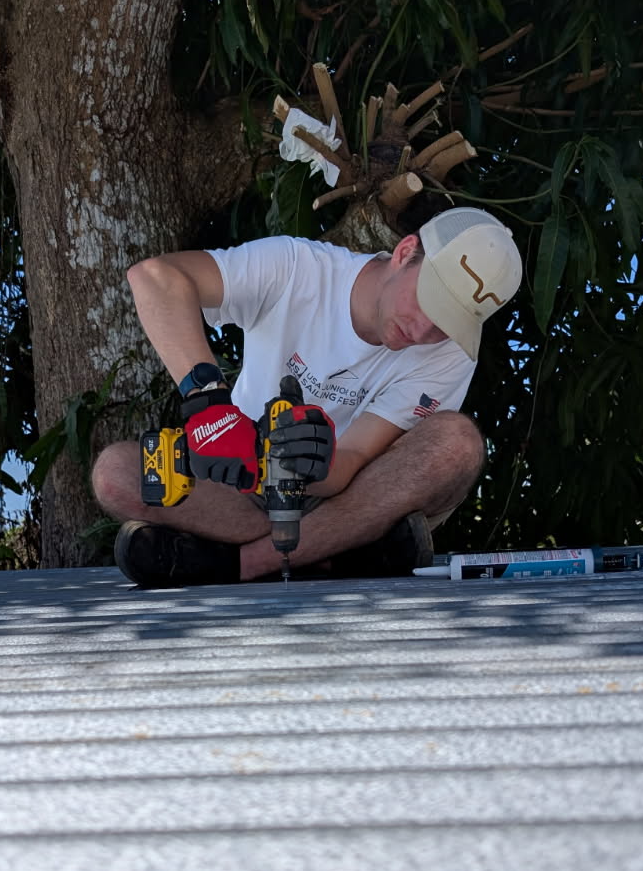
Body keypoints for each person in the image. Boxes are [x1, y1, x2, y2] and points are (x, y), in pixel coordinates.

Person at [91, 205, 523, 587]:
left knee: (457, 446)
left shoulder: (449, 355)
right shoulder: (298, 268)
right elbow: (156, 278)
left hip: (350, 495)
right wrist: (210, 406)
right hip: (246, 484)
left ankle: (239, 564)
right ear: (405, 252)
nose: (425, 330)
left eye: (448, 321)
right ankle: (335, 556)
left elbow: (350, 463)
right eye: (429, 302)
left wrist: (316, 461)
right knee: (116, 473)